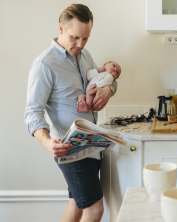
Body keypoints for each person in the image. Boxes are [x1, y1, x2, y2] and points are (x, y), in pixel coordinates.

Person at [24, 4, 117, 222]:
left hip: (92, 146)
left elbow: (102, 80)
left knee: (76, 206)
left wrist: (109, 89)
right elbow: (32, 113)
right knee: (95, 211)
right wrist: (48, 143)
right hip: (71, 151)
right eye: (76, 37)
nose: (80, 44)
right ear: (61, 29)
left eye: (86, 38)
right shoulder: (44, 65)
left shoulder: (85, 56)